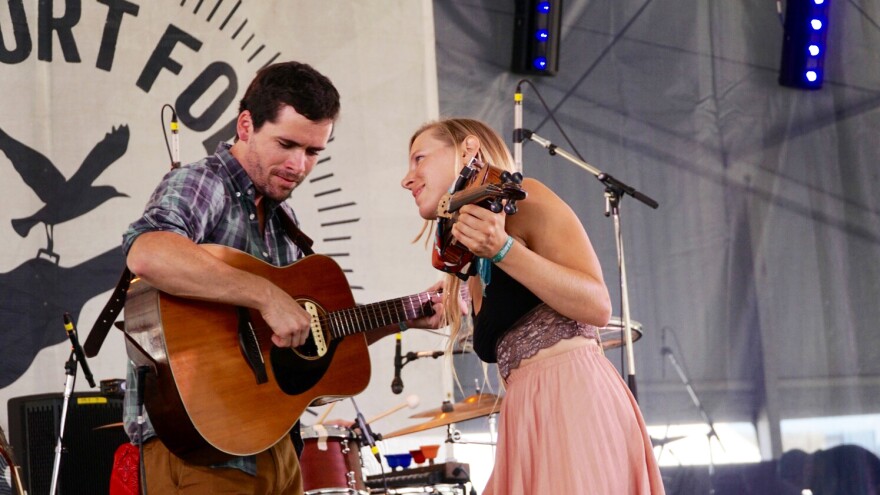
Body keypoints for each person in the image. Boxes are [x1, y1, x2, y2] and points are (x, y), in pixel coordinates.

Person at [121, 61, 441, 494]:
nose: (298, 165)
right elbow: (148, 251)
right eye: (287, 144)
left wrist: (404, 316)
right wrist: (266, 296)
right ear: (247, 125)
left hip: (273, 444)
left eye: (312, 152)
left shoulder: (283, 218)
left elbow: (310, 340)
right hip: (201, 448)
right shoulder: (203, 182)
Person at [401, 118, 666, 494]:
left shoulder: (526, 200)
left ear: (468, 149)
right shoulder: (473, 257)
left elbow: (597, 306)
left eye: (419, 159)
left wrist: (503, 250)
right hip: (528, 411)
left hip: (570, 399)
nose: (407, 178)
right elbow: (520, 299)